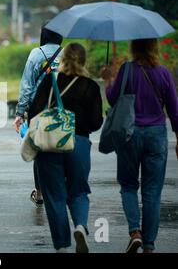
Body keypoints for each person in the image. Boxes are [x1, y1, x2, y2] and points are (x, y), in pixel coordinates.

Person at [101, 38, 178, 253]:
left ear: (134, 47)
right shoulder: (163, 73)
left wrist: (108, 80)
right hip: (156, 136)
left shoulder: (127, 70)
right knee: (153, 192)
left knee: (128, 185)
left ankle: (135, 232)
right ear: (154, 47)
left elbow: (112, 99)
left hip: (130, 133)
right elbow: (174, 109)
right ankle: (149, 245)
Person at [28, 43, 103, 252]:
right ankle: (79, 226)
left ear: (63, 59)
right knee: (79, 191)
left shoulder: (50, 82)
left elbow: (33, 111)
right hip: (78, 142)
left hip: (50, 143)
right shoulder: (91, 86)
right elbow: (97, 122)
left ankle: (61, 246)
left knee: (54, 196)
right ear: (84, 60)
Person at [13, 25, 63, 207]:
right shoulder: (67, 54)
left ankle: (40, 192)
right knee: (62, 147)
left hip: (39, 110)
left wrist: (20, 112)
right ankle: (60, 189)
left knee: (40, 152)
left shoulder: (36, 54)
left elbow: (27, 86)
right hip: (63, 108)